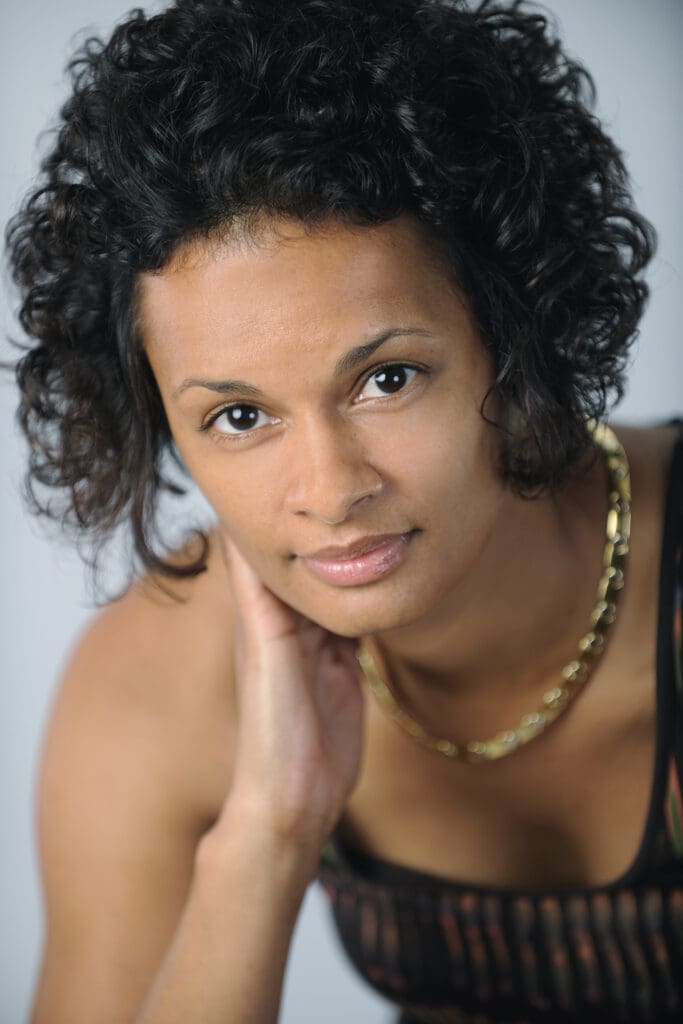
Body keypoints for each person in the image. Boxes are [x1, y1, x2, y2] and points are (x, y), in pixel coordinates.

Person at [5, 0, 682, 1021]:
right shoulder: (163, 682)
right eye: (238, 414)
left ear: (516, 325)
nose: (328, 492)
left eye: (386, 379)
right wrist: (269, 833)